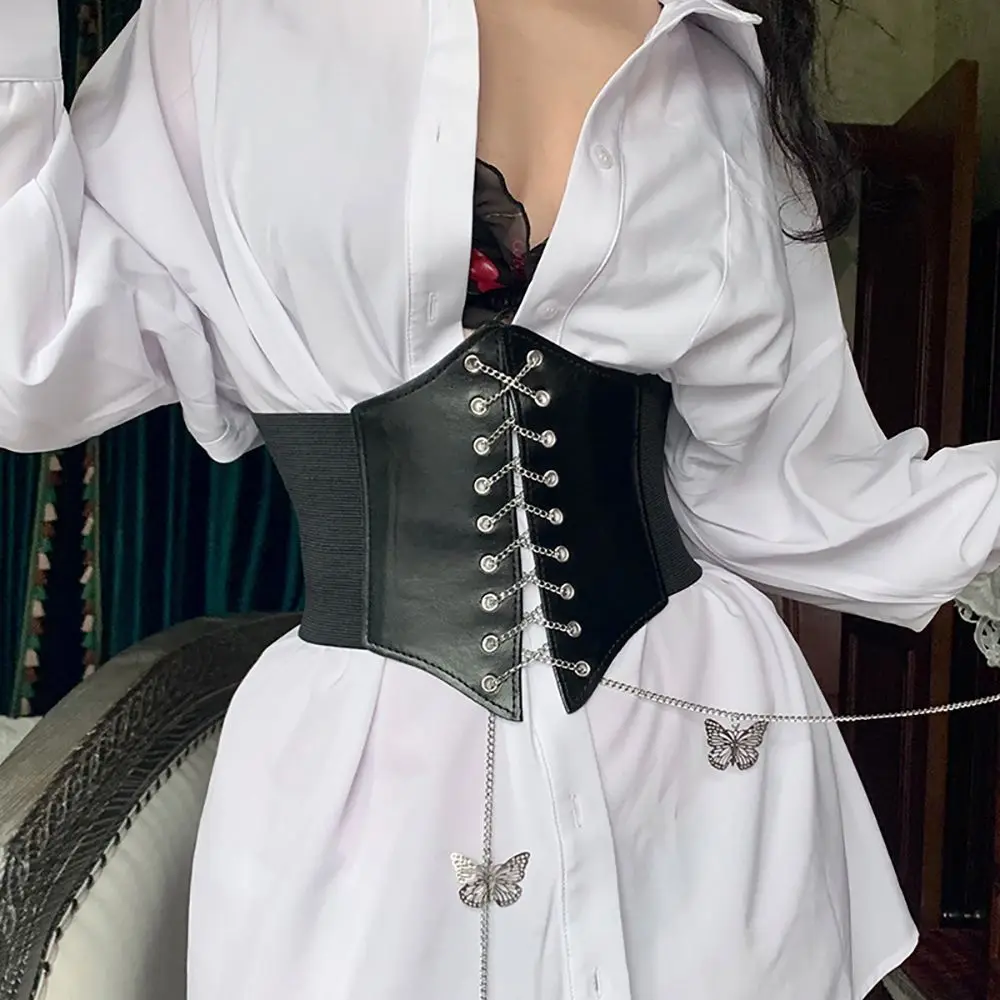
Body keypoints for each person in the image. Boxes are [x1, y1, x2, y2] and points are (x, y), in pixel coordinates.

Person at [4, 0, 1000, 997]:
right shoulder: (219, 30)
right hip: (370, 811)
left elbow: (781, 487)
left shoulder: (716, 73)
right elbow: (31, 360)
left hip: (704, 783)